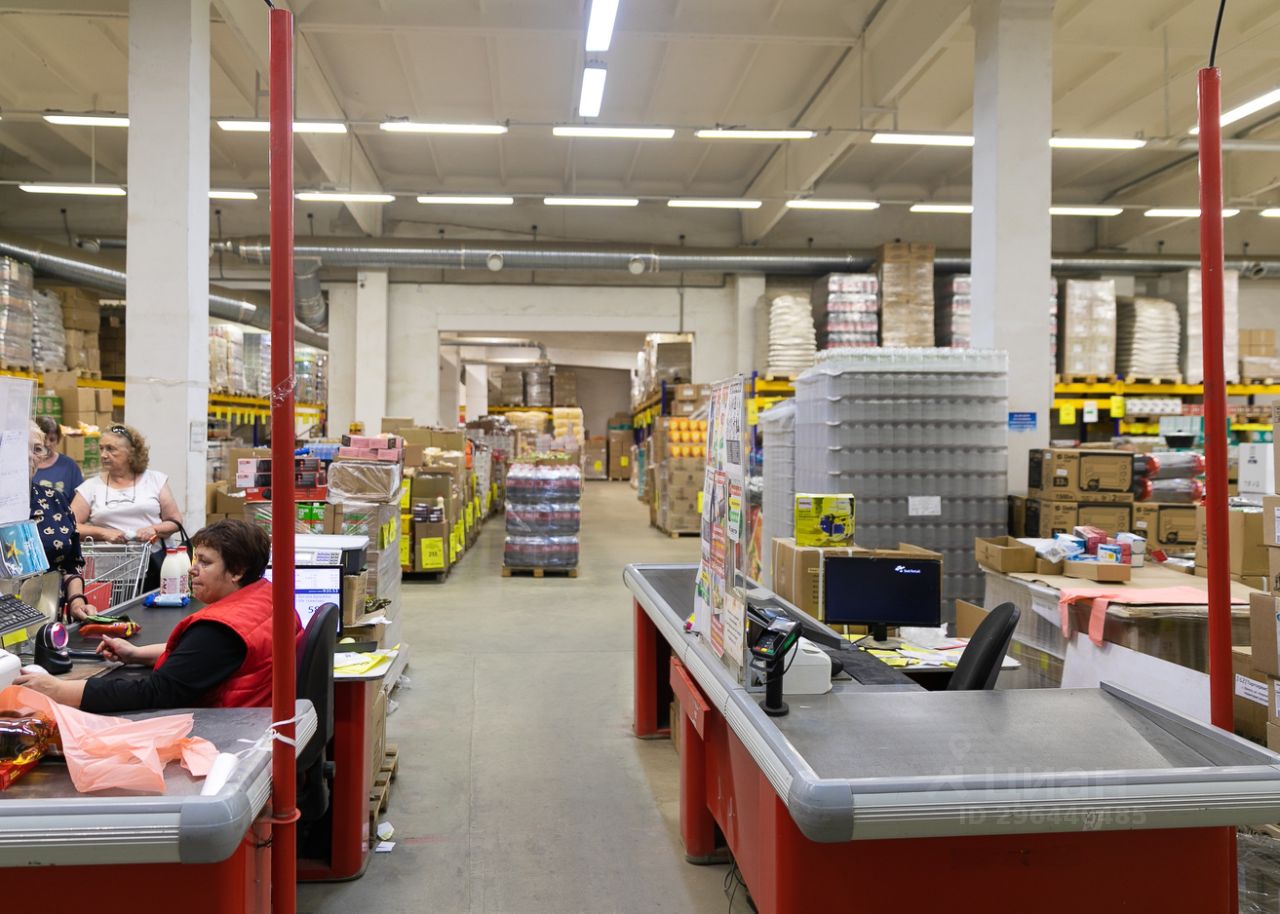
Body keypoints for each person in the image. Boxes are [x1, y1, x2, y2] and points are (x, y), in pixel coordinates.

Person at [15, 519, 296, 712]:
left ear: (238, 571)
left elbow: (155, 692)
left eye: (205, 562)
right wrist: (136, 654)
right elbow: (204, 657)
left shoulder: (220, 630)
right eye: (194, 559)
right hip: (255, 719)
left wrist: (59, 690)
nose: (192, 569)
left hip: (225, 733)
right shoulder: (267, 598)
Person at [70, 424, 183, 589]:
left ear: (131, 452)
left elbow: (175, 521)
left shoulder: (155, 480)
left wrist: (154, 529)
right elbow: (70, 526)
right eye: (101, 448)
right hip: (108, 572)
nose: (103, 455)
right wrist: (104, 533)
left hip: (153, 565)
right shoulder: (91, 487)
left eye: (111, 449)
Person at [28, 422, 88, 620]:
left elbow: (71, 564)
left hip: (49, 620)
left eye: (37, 449)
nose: (29, 456)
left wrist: (77, 601)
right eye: (20, 448)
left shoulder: (55, 499)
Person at [31, 416, 83, 496]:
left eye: (52, 439)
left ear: (58, 440)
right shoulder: (27, 465)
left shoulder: (69, 466)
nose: (47, 444)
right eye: (44, 439)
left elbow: (79, 498)